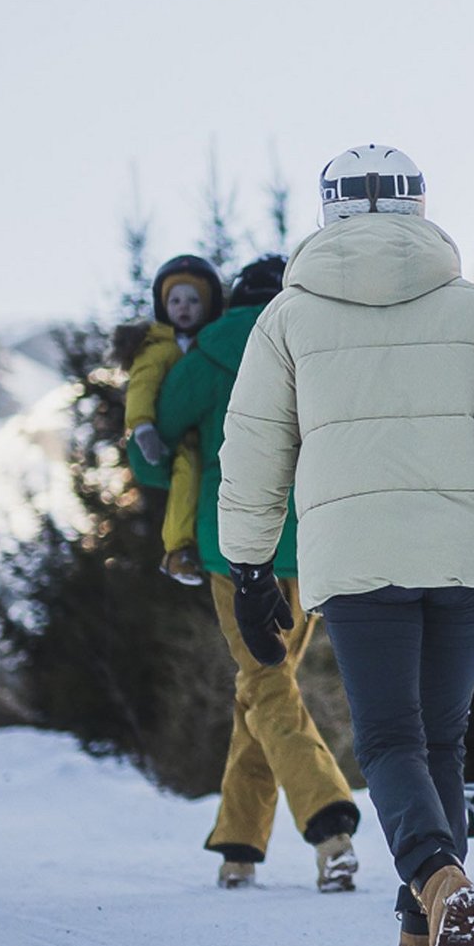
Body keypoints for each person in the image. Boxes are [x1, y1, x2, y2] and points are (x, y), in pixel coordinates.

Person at [216, 143, 474, 946]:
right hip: (471, 557)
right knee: (439, 737)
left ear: (329, 210)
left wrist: (251, 567)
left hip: (361, 559)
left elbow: (255, 450)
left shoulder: (287, 317)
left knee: (388, 742)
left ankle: (441, 885)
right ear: (418, 204)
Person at [155, 252, 363, 893]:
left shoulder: (209, 353)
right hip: (308, 542)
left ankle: (330, 828)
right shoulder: (315, 342)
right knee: (264, 682)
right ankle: (239, 846)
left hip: (233, 548)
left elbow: (157, 441)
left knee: (265, 684)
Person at [117, 254, 223, 585]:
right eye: (175, 300)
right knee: (187, 473)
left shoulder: (214, 342)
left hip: (216, 429)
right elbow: (142, 386)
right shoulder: (158, 348)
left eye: (193, 300)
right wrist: (144, 426)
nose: (184, 307)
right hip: (183, 438)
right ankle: (178, 550)